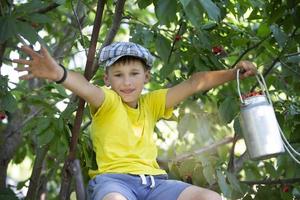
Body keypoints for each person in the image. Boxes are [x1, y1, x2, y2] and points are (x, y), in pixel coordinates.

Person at [13, 41, 256, 200]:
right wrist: (59, 74)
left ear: (146, 76)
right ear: (107, 79)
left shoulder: (152, 103)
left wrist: (233, 72)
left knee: (210, 198)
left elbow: (195, 83)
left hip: (155, 185)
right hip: (115, 184)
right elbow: (86, 88)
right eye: (118, 75)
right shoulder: (108, 101)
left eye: (134, 74)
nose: (127, 82)